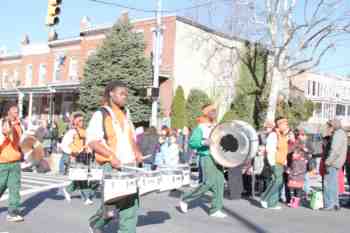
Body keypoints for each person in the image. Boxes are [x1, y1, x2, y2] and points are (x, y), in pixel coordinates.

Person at [87, 80, 144, 233]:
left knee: (131, 205)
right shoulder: (101, 114)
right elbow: (92, 141)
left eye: (126, 94)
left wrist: (137, 153)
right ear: (111, 94)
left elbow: (131, 138)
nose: (125, 96)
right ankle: (96, 223)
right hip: (111, 166)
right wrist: (111, 157)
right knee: (111, 206)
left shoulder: (126, 114)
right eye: (121, 93)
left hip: (128, 166)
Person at [179, 104, 226, 218]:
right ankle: (185, 198)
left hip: (218, 157)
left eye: (215, 110)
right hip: (206, 156)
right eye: (212, 111)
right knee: (208, 182)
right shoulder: (201, 127)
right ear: (206, 113)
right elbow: (192, 142)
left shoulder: (218, 126)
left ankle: (215, 209)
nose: (214, 112)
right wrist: (204, 143)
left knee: (220, 182)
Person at [61, 112, 94, 205]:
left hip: (83, 157)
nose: (82, 122)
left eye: (83, 120)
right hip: (74, 157)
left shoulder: (84, 131)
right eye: (79, 120)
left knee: (79, 176)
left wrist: (89, 151)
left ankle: (68, 189)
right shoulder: (71, 132)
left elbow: (87, 143)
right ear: (75, 122)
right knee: (82, 176)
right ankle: (86, 198)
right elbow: (64, 145)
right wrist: (71, 154)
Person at [0, 104, 24, 222]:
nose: (17, 114)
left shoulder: (18, 125)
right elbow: (6, 132)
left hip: (15, 162)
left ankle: (13, 212)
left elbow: (19, 141)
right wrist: (9, 127)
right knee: (1, 185)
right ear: (8, 112)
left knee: (15, 188)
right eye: (14, 112)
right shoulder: (4, 122)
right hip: (3, 162)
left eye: (17, 112)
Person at [260, 117, 289, 210]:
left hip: (280, 162)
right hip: (274, 161)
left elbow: (284, 150)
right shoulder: (273, 135)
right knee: (278, 180)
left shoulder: (283, 135)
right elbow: (270, 150)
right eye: (285, 124)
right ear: (279, 125)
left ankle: (272, 203)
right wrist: (272, 163)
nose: (286, 126)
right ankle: (264, 198)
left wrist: (285, 162)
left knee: (277, 182)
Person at [322, 119, 348, 211]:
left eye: (329, 126)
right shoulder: (341, 133)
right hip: (337, 162)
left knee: (328, 184)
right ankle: (335, 204)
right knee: (333, 184)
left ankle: (329, 204)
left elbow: (335, 151)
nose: (328, 128)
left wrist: (328, 162)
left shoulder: (338, 134)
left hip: (332, 162)